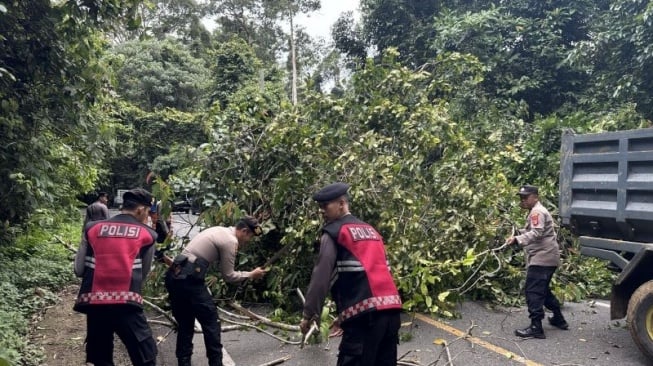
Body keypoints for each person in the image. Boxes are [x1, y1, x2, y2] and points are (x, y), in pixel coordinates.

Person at [300, 182, 402, 366]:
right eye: (320, 207)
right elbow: (377, 274)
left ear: (341, 203)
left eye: (325, 206)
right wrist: (344, 316)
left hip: (364, 321)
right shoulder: (372, 231)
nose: (321, 211)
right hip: (391, 315)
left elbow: (320, 279)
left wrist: (309, 315)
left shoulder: (335, 232)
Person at [164, 216, 268, 366]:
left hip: (174, 277)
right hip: (190, 281)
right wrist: (251, 274)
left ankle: (183, 363)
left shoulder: (220, 230)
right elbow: (229, 276)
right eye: (249, 236)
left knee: (185, 325)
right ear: (244, 231)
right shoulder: (230, 241)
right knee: (212, 324)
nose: (248, 241)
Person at [73, 188, 159, 365]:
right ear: (140, 210)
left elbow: (79, 270)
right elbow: (143, 274)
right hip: (127, 305)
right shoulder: (148, 235)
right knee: (146, 356)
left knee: (101, 358)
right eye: (149, 212)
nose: (148, 217)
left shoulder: (92, 229)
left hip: (94, 305)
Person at [505, 184, 569, 339]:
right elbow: (534, 230)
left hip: (542, 259)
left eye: (526, 197)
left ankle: (536, 327)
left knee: (532, 291)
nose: (523, 200)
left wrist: (517, 240)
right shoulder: (536, 211)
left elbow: (537, 232)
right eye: (521, 197)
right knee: (543, 291)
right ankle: (559, 319)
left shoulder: (537, 212)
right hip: (548, 258)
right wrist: (518, 233)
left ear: (535, 197)